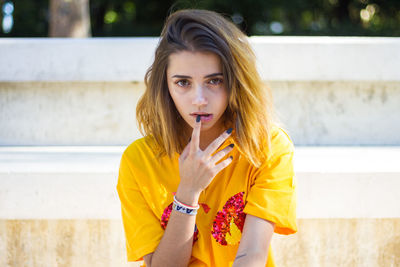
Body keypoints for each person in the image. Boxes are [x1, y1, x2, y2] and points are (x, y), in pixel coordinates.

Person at [116, 9, 297, 267]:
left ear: (236, 81)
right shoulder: (138, 161)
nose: (199, 100)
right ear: (165, 86)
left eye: (214, 81)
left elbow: (252, 257)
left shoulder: (267, 147)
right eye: (183, 83)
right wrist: (188, 194)